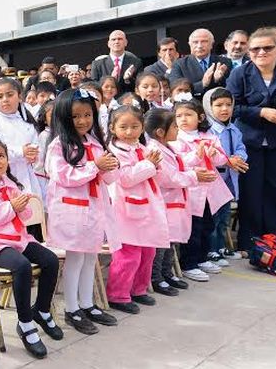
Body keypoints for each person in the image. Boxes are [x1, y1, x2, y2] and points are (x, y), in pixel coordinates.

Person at [44, 88, 119, 335]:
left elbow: (107, 177)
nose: (83, 121)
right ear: (64, 118)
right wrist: (94, 166)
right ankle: (72, 308)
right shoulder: (59, 145)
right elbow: (64, 176)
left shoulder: (94, 141)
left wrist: (109, 166)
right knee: (75, 259)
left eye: (87, 115)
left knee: (91, 258)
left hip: (94, 211)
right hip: (72, 213)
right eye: (76, 116)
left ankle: (88, 304)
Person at [0, 139, 61, 359]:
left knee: (51, 261)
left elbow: (24, 218)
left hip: (19, 238)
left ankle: (42, 310)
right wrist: (11, 207)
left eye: (1, 156)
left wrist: (24, 206)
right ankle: (25, 324)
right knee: (22, 267)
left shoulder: (9, 183)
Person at [226, 27, 276, 250]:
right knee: (251, 192)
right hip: (249, 143)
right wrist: (261, 112)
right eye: (255, 49)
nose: (261, 52)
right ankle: (250, 243)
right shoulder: (239, 74)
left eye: (267, 48)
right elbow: (232, 107)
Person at [102, 106, 170, 315]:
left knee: (147, 251)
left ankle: (138, 289)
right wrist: (149, 165)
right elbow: (126, 178)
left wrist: (154, 165)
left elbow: (157, 173)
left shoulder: (143, 148)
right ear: (113, 128)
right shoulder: (114, 152)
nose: (129, 132)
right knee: (128, 255)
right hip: (126, 209)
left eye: (135, 127)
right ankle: (118, 294)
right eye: (124, 127)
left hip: (146, 208)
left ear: (142, 128)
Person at [172, 99, 232, 282]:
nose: (183, 119)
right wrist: (196, 154)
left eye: (188, 115)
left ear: (200, 117)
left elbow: (223, 159)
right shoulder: (176, 139)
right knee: (193, 228)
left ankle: (202, 258)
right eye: (179, 116)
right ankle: (189, 263)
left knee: (208, 225)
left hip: (210, 191)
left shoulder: (210, 136)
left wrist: (215, 155)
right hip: (192, 190)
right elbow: (179, 162)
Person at [145, 109, 198, 296]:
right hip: (164, 201)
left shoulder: (168, 147)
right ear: (160, 131)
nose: (177, 129)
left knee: (173, 239)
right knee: (162, 242)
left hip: (174, 202)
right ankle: (156, 277)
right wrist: (194, 175)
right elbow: (168, 178)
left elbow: (181, 163)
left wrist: (198, 157)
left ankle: (167, 273)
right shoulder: (154, 149)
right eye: (174, 126)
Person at [203, 87, 248, 264]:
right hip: (215, 181)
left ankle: (221, 247)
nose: (224, 109)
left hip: (229, 179)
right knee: (213, 218)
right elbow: (210, 154)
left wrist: (238, 158)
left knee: (224, 217)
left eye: (228, 105)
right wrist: (227, 160)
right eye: (218, 105)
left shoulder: (234, 130)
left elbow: (240, 148)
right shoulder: (207, 132)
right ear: (208, 107)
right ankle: (211, 250)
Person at [0, 78, 43, 199]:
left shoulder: (27, 122)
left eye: (10, 95)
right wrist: (20, 152)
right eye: (0, 96)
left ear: (19, 97)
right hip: (2, 176)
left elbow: (36, 145)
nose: (5, 100)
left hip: (28, 175)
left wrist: (33, 154)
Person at [170, 28, 233, 99]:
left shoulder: (224, 62)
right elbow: (175, 91)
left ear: (212, 44)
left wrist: (217, 80)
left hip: (217, 105)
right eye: (195, 42)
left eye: (204, 41)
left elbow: (230, 88)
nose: (199, 46)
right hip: (192, 106)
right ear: (190, 45)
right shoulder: (179, 64)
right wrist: (202, 84)